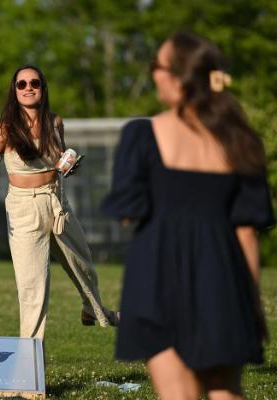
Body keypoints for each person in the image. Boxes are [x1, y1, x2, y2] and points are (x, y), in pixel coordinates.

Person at [102, 32, 275, 400]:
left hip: (156, 281)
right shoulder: (241, 141)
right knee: (226, 391)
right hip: (223, 281)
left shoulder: (142, 135)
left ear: (178, 76)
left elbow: (129, 213)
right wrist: (250, 303)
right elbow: (247, 233)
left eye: (156, 67)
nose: (153, 75)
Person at [0, 65, 119, 340]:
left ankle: (92, 310)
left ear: (43, 88)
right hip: (24, 209)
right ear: (15, 91)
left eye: (34, 83)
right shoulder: (4, 129)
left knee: (85, 267)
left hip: (57, 201)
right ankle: (28, 365)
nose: (28, 88)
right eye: (22, 84)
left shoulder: (54, 122)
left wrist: (69, 163)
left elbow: (60, 158)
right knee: (33, 288)